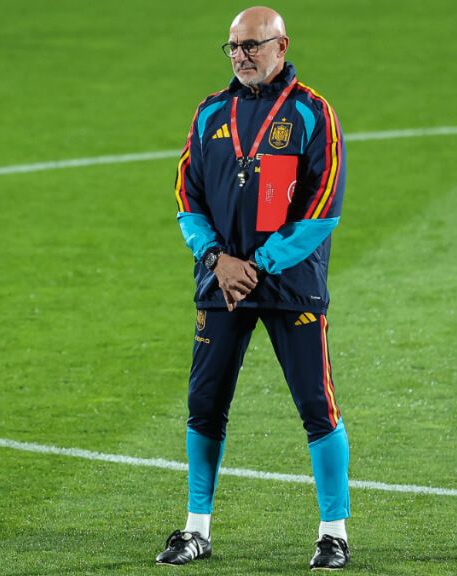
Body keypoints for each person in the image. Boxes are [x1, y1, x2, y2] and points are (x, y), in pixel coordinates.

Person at [155, 6, 351, 571]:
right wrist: (217, 259)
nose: (242, 56)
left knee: (317, 405)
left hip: (289, 287)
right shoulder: (209, 112)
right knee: (204, 405)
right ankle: (196, 530)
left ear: (282, 46)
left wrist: (255, 266)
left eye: (253, 46)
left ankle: (333, 534)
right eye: (234, 47)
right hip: (221, 285)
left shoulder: (314, 114)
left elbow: (322, 207)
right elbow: (186, 196)